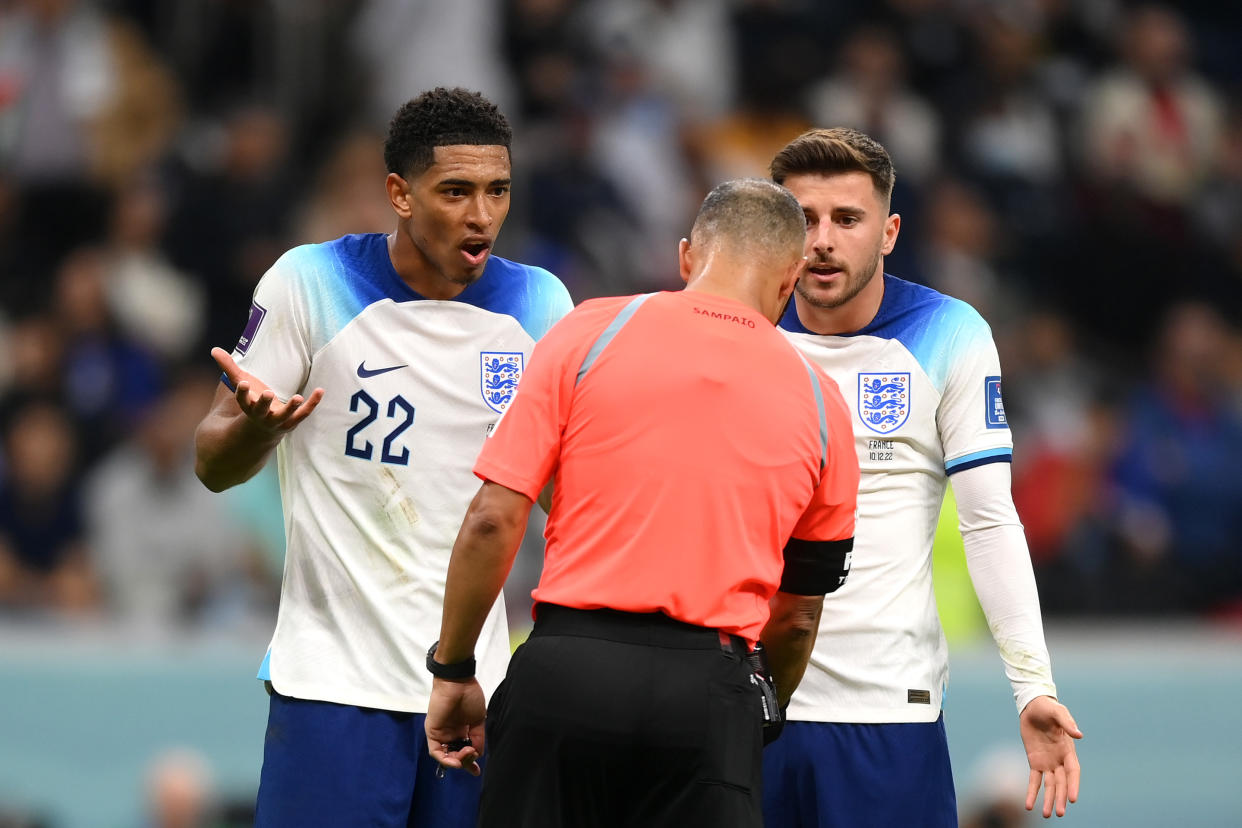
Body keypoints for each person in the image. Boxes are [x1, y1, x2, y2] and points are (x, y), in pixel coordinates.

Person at [423, 178, 860, 828]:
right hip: (711, 692)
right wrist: (752, 710)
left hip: (567, 672)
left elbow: (493, 517)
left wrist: (454, 667)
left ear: (688, 257)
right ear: (790, 280)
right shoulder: (824, 404)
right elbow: (796, 618)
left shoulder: (589, 332)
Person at [193, 87, 573, 827]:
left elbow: (572, 495)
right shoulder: (309, 282)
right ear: (398, 193)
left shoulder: (541, 304)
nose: (481, 215)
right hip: (332, 690)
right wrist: (259, 428)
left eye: (497, 191)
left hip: (476, 693)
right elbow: (212, 461)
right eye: (455, 191)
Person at [761, 126, 1082, 825]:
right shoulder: (740, 333)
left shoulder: (949, 331)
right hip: (744, 709)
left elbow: (989, 518)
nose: (822, 239)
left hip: (886, 713)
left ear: (889, 231)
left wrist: (1033, 686)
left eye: (847, 219)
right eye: (803, 219)